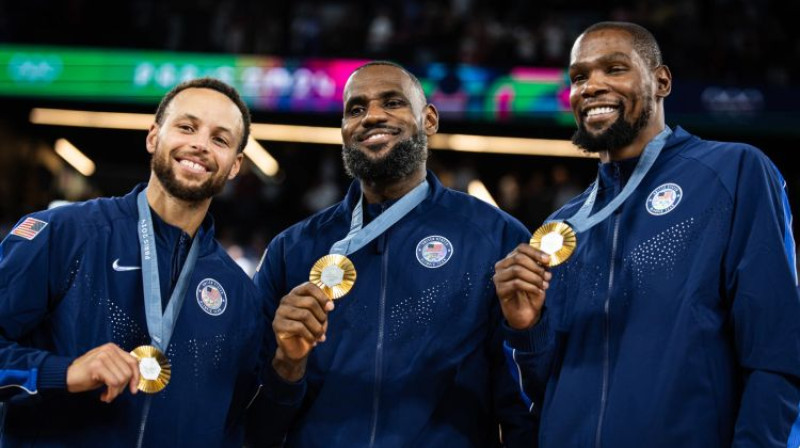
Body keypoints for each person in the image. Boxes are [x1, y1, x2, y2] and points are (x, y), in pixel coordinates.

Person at [493, 21, 800, 447]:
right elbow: (545, 389)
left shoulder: (733, 172)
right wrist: (526, 328)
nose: (592, 86)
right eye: (579, 77)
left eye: (614, 69)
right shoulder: (564, 225)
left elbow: (777, 349)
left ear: (661, 81)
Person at [248, 61, 535, 447]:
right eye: (356, 109)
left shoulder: (495, 239)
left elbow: (520, 400)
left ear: (428, 119)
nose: (372, 117)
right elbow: (253, 420)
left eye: (393, 102)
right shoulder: (293, 250)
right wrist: (287, 365)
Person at [0, 77, 264, 447]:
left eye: (219, 139)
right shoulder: (64, 234)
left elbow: (235, 425)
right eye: (186, 127)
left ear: (235, 165)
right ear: (153, 136)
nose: (200, 144)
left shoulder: (239, 294)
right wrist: (63, 372)